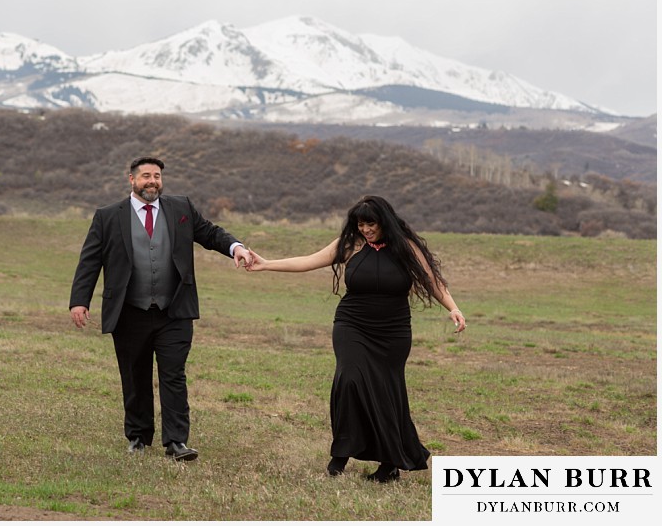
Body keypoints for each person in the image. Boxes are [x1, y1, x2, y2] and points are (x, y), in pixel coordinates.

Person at [245, 195, 466, 482]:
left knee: (387, 392)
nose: (365, 229)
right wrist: (266, 264)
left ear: (384, 221)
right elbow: (309, 261)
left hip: (393, 331)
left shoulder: (405, 247)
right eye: (360, 223)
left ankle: (389, 465)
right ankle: (341, 452)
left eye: (370, 223)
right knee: (349, 379)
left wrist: (453, 307)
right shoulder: (350, 245)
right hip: (353, 324)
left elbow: (431, 280)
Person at [69, 156, 253, 461]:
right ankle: (138, 437)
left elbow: (209, 233)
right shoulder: (108, 216)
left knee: (173, 375)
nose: (152, 181)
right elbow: (90, 260)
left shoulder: (180, 208)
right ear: (131, 180)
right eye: (145, 176)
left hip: (174, 311)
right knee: (135, 375)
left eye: (156, 176)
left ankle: (176, 442)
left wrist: (236, 247)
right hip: (129, 312)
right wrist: (79, 300)